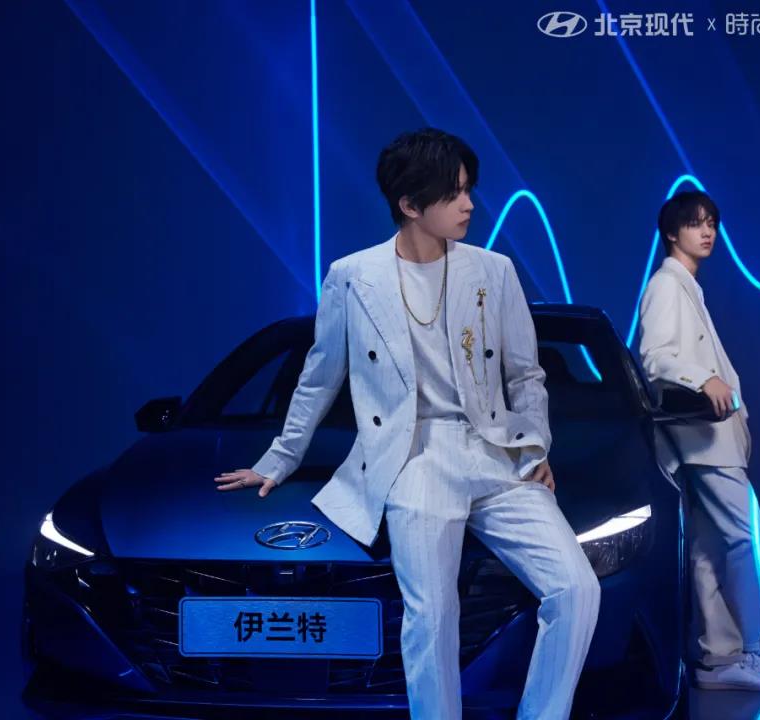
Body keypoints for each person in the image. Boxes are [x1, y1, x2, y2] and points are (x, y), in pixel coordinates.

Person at [214, 128, 599, 719]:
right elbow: (319, 377)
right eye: (454, 193)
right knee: (432, 616)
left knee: (576, 588)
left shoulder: (493, 271)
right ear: (411, 205)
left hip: (493, 451)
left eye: (468, 189)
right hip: (411, 457)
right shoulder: (352, 275)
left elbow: (526, 375)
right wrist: (280, 459)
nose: (469, 205)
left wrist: (534, 446)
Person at [638, 190, 760, 692]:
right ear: (671, 232)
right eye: (695, 223)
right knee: (750, 536)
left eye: (712, 223)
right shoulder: (666, 286)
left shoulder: (687, 287)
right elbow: (655, 357)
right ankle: (746, 652)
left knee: (708, 549)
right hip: (702, 441)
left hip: (710, 441)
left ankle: (718, 660)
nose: (707, 232)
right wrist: (704, 379)